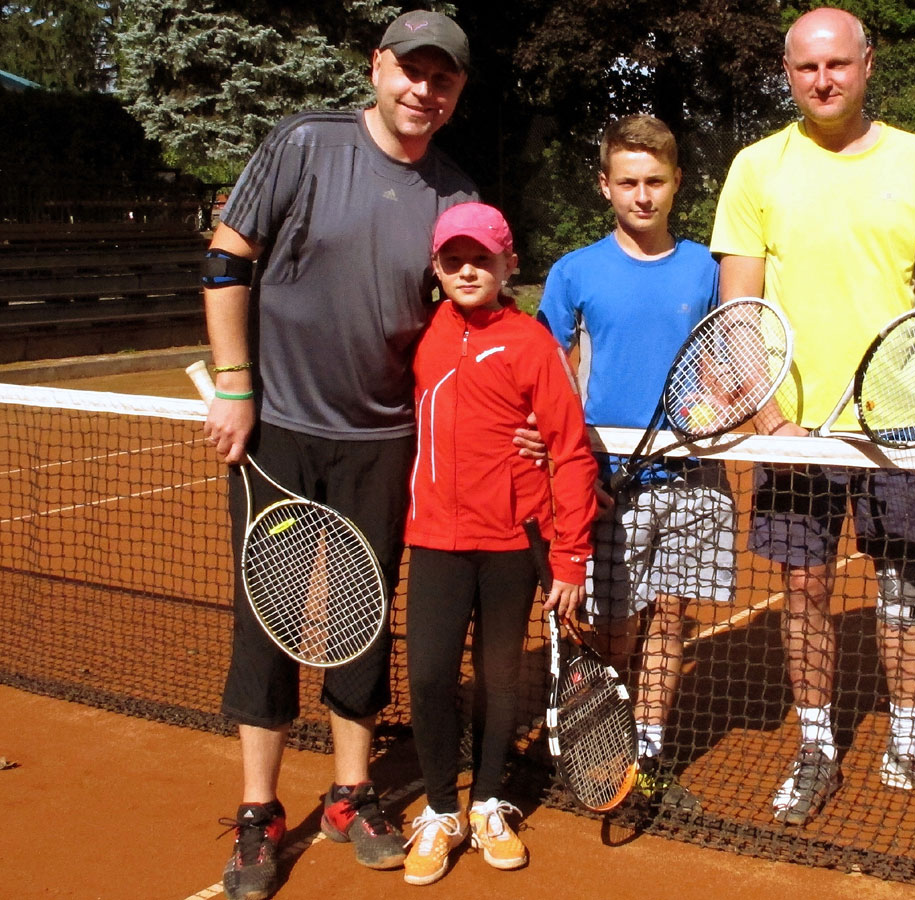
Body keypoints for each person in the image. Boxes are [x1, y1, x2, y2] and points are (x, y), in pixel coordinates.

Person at [199, 12, 511, 900]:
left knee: (361, 620)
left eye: (443, 79)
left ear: (457, 91)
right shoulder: (306, 144)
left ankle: (352, 795)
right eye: (411, 71)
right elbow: (228, 259)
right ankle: (259, 812)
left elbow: (472, 318)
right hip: (279, 433)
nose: (424, 90)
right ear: (378, 68)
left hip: (384, 442)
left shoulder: (455, 191)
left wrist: (518, 414)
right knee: (266, 618)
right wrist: (234, 383)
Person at [709, 6, 915, 825]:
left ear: (867, 64)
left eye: (837, 64)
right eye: (807, 67)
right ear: (788, 74)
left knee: (906, 586)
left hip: (899, 425)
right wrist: (769, 417)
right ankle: (817, 746)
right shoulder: (756, 167)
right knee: (804, 588)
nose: (822, 80)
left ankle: (910, 743)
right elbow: (739, 306)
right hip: (796, 430)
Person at [537, 114, 737, 806]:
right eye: (628, 182)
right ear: (605, 186)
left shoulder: (706, 270)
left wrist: (715, 403)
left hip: (691, 476)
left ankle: (646, 753)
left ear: (677, 182)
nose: (642, 195)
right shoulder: (574, 271)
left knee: (670, 616)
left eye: (655, 180)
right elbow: (548, 369)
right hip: (607, 481)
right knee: (615, 626)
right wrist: (570, 461)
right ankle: (606, 736)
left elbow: (718, 363)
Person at [402, 202, 598, 884]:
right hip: (435, 537)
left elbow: (570, 452)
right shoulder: (420, 335)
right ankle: (440, 809)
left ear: (507, 264)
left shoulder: (531, 343)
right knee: (429, 675)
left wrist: (569, 557)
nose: (467, 270)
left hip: (513, 543)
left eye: (481, 258)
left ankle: (487, 802)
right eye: (453, 259)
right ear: (435, 268)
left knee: (498, 676)